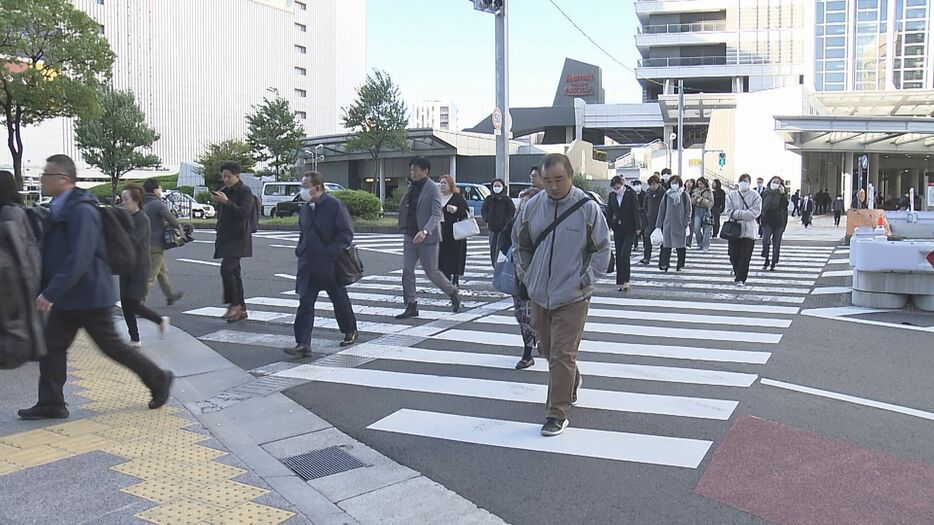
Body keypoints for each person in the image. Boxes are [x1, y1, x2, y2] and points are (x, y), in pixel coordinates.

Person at [18, 154, 172, 420]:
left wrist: (51, 291)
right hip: (71, 296)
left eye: (46, 175)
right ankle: (51, 403)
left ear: (63, 179)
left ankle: (159, 379)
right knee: (52, 345)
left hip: (89, 295)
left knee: (112, 347)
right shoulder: (61, 206)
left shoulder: (81, 209)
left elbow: (80, 255)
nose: (42, 179)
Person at [512, 153, 610, 436]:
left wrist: (584, 280)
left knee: (563, 354)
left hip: (573, 296)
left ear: (570, 177)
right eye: (547, 180)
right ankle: (571, 381)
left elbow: (602, 249)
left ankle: (557, 413)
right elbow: (520, 244)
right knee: (547, 350)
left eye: (559, 180)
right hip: (539, 293)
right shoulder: (532, 207)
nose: (553, 186)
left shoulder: (587, 208)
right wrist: (527, 275)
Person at [286, 171, 358, 357]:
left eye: (305, 186)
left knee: (338, 298)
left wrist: (329, 252)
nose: (302, 190)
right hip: (308, 263)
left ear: (317, 188)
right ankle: (303, 343)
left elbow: (345, 233)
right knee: (305, 303)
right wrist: (300, 250)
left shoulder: (334, 205)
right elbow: (304, 233)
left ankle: (350, 329)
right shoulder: (305, 208)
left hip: (330, 263)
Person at [396, 157, 461, 319]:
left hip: (427, 237)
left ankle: (452, 291)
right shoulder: (412, 187)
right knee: (407, 270)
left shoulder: (433, 188)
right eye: (411, 170)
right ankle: (411, 304)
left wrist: (424, 231)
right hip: (410, 235)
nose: (413, 173)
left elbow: (436, 214)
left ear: (425, 171)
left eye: (416, 170)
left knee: (431, 272)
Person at [0, 170, 44, 364]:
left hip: (16, 275)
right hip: (25, 270)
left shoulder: (8, 212)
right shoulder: (17, 209)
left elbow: (17, 248)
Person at [119, 183, 170, 348]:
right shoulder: (125, 216)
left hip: (139, 267)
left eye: (126, 199)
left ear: (136, 200)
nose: (123, 202)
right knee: (125, 304)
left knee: (133, 303)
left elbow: (131, 241)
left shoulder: (142, 219)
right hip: (125, 265)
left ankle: (160, 320)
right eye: (122, 199)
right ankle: (135, 338)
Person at [507, 166, 544, 370]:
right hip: (521, 260)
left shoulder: (548, 200)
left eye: (535, 174)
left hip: (541, 263)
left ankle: (534, 346)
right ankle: (528, 349)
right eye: (531, 174)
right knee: (522, 310)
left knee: (536, 310)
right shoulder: (524, 198)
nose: (532, 177)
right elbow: (514, 227)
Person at [211, 161, 254, 323]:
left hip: (239, 237)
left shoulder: (245, 191)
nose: (226, 179)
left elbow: (244, 213)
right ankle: (241, 308)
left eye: (229, 176)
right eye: (224, 176)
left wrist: (227, 202)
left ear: (237, 176)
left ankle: (235, 304)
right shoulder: (223, 191)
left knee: (226, 270)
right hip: (225, 236)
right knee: (234, 272)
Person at [142, 178, 184, 305]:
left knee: (161, 271)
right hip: (155, 244)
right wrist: (180, 230)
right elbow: (171, 220)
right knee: (150, 277)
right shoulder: (157, 203)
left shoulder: (142, 203)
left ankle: (170, 295)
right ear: (155, 190)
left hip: (143, 243)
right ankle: (138, 303)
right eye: (160, 188)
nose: (161, 190)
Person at [725, 173, 762, 287]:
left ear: (749, 183)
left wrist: (738, 214)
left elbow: (755, 213)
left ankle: (741, 278)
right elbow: (729, 211)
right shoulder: (732, 195)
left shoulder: (755, 196)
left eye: (745, 181)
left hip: (749, 230)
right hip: (734, 229)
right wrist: (742, 214)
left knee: (745, 256)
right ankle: (737, 274)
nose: (743, 183)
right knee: (733, 254)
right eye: (741, 180)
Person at [607, 175, 642, 291]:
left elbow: (636, 210)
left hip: (630, 228)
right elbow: (609, 212)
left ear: (622, 185)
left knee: (625, 254)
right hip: (618, 228)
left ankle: (626, 280)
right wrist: (607, 227)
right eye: (614, 188)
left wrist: (638, 227)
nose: (616, 190)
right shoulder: (612, 196)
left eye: (618, 187)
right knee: (618, 255)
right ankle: (620, 281)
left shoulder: (631, 194)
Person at [438, 174, 469, 286]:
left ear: (450, 184)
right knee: (441, 254)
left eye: (444, 183)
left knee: (455, 255)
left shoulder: (457, 197)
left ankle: (455, 278)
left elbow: (465, 212)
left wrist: (455, 209)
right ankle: (445, 278)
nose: (442, 185)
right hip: (441, 229)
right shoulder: (438, 197)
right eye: (441, 183)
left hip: (455, 230)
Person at [656, 175, 691, 272]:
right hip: (668, 225)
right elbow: (662, 210)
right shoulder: (667, 195)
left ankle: (680, 265)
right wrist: (658, 225)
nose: (674, 185)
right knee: (666, 245)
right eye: (672, 183)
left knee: (680, 246)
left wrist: (686, 222)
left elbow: (688, 210)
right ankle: (664, 264)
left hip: (680, 224)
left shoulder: (684, 195)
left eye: (676, 183)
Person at [481, 177, 516, 267]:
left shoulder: (507, 200)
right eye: (495, 186)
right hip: (492, 228)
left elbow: (511, 212)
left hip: (503, 229)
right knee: (492, 249)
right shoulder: (489, 199)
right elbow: (484, 210)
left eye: (498, 186)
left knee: (501, 248)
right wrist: (487, 219)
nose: (496, 187)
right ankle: (494, 265)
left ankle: (500, 266)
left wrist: (506, 222)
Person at [759, 176, 788, 271]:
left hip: (778, 220)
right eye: (773, 181)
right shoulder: (765, 192)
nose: (775, 183)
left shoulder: (781, 193)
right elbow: (760, 205)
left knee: (777, 242)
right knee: (765, 240)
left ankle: (773, 262)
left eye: (777, 182)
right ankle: (766, 258)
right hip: (767, 219)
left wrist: (783, 194)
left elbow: (785, 205)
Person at [640, 175, 664, 265]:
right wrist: (644, 215)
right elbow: (645, 205)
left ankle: (663, 260)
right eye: (651, 185)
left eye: (654, 184)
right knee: (647, 239)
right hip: (649, 219)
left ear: (658, 184)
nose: (653, 186)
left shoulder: (663, 193)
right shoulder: (648, 193)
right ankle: (646, 257)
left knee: (663, 240)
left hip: (661, 219)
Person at [690, 177, 714, 251]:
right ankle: (699, 243)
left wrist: (702, 200)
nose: (700, 185)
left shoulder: (709, 192)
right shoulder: (695, 191)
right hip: (697, 210)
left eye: (701, 184)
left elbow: (711, 203)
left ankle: (705, 245)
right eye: (699, 184)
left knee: (706, 229)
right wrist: (695, 198)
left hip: (706, 211)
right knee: (696, 229)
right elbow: (691, 202)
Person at [631, 179, 644, 253]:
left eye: (638, 185)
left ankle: (645, 246)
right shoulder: (632, 194)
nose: (636, 186)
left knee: (644, 233)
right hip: (635, 216)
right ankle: (635, 245)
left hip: (642, 215)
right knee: (635, 232)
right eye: (635, 185)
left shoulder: (644, 194)